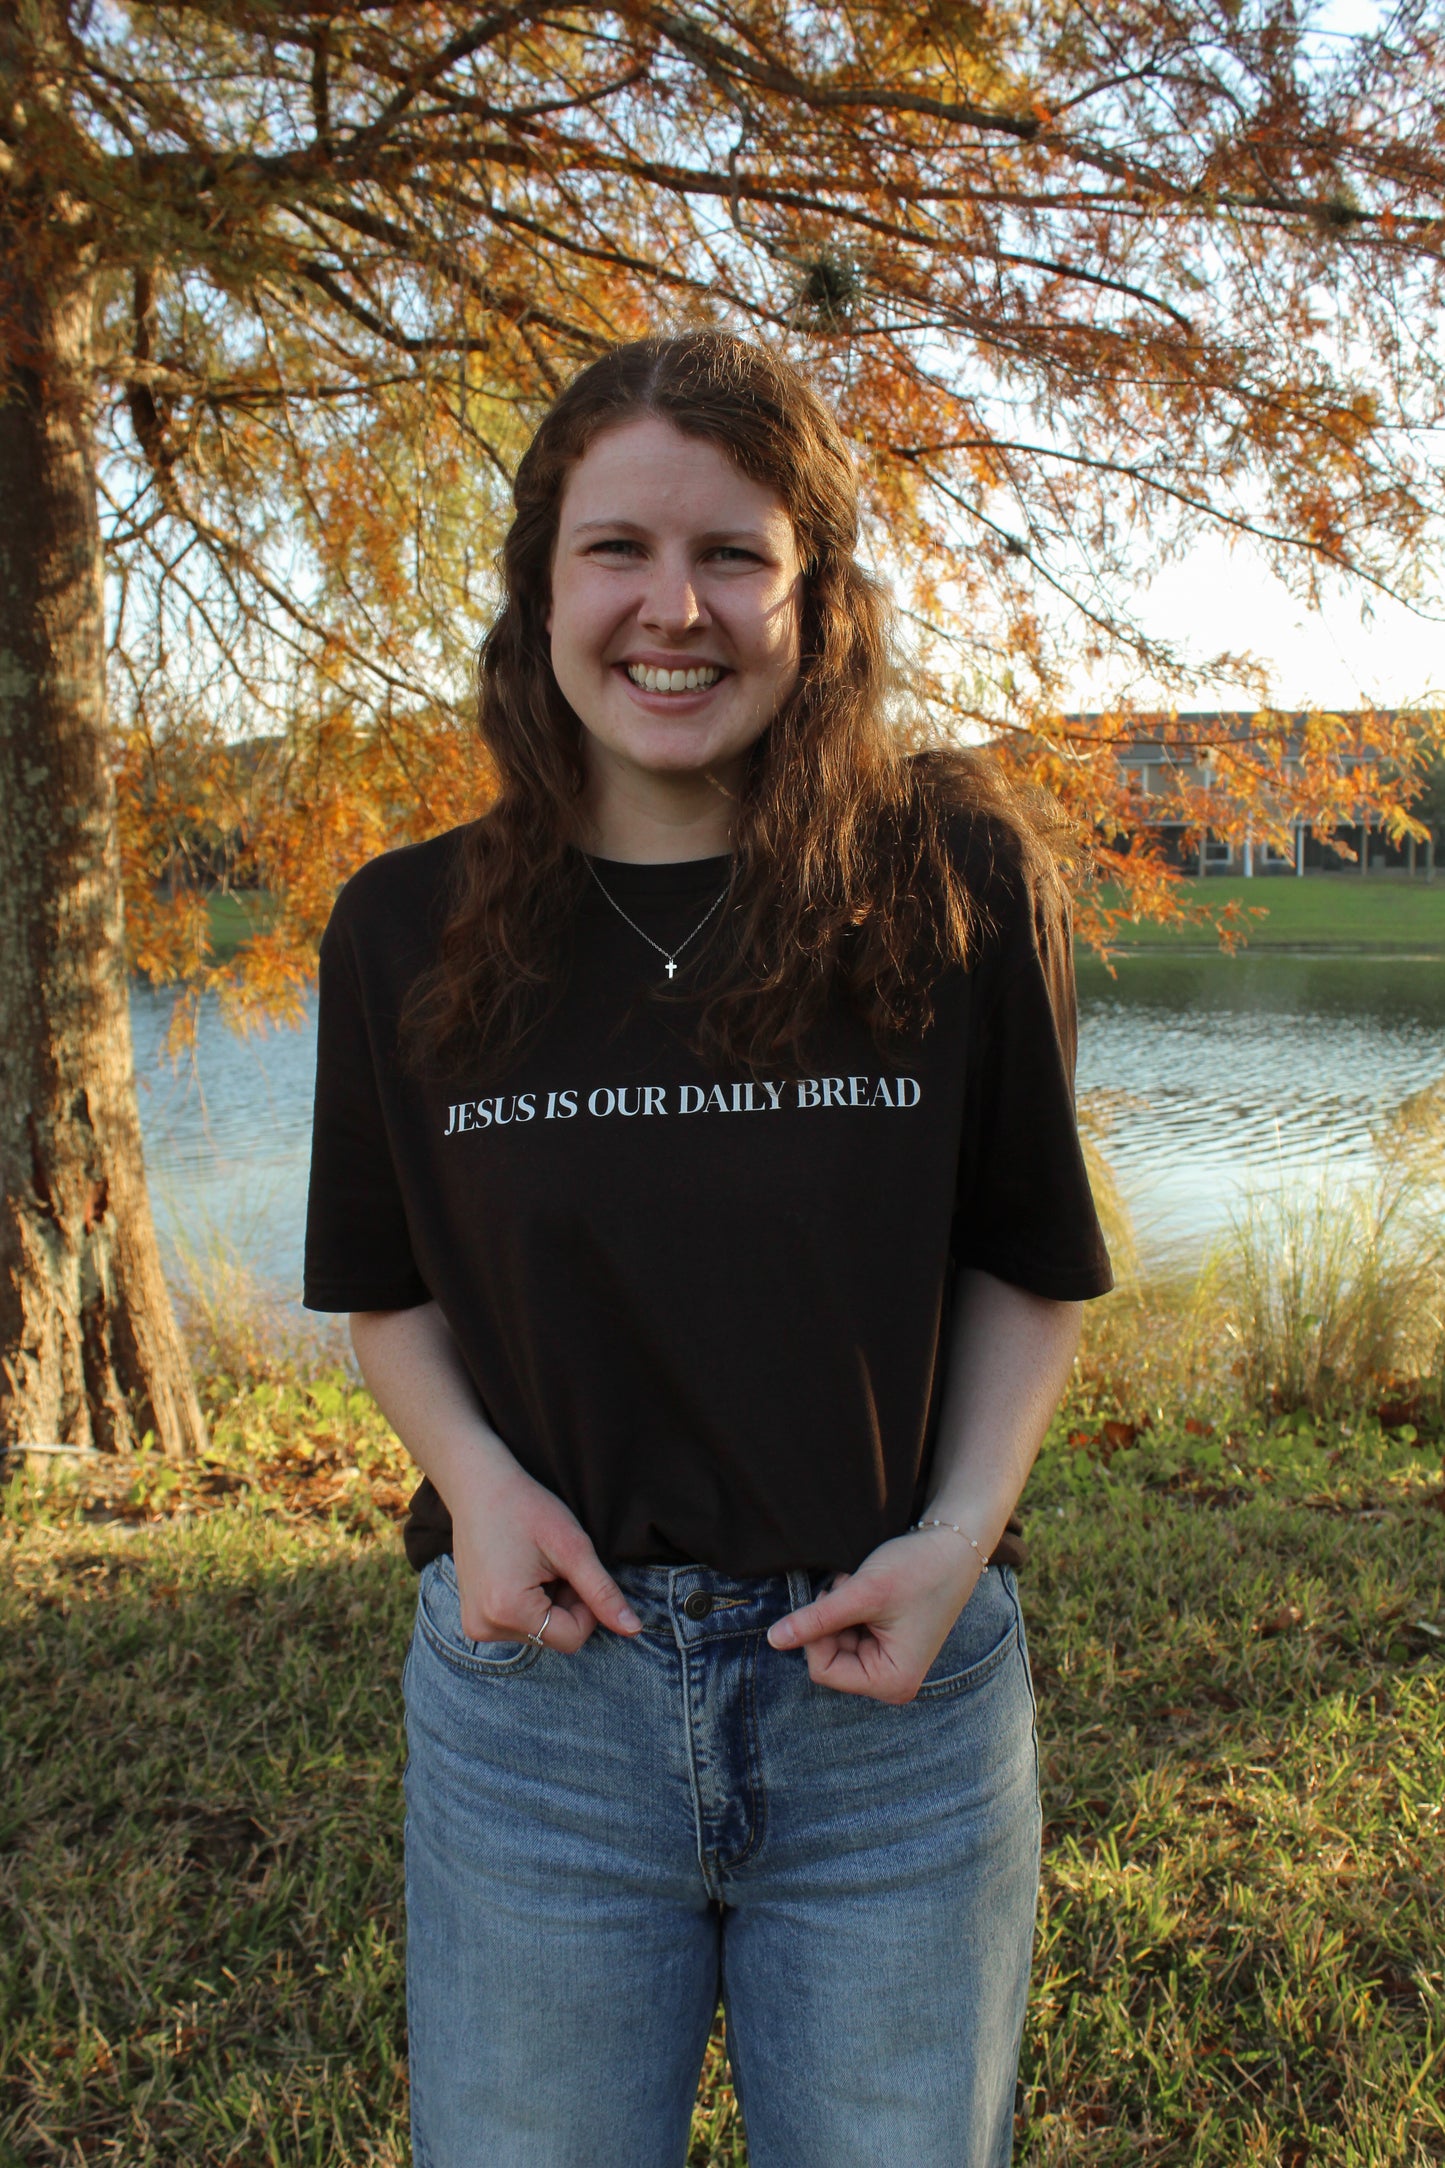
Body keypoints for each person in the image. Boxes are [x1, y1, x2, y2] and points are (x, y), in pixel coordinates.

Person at [303, 330, 1112, 2168]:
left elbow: (1024, 1262)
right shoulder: (402, 927)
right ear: (539, 586)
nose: (674, 611)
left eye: (734, 556)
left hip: (890, 1713)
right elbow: (386, 1287)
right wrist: (478, 1495)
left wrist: (952, 1543)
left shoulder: (955, 882)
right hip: (543, 1721)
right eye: (617, 551)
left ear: (814, 599)